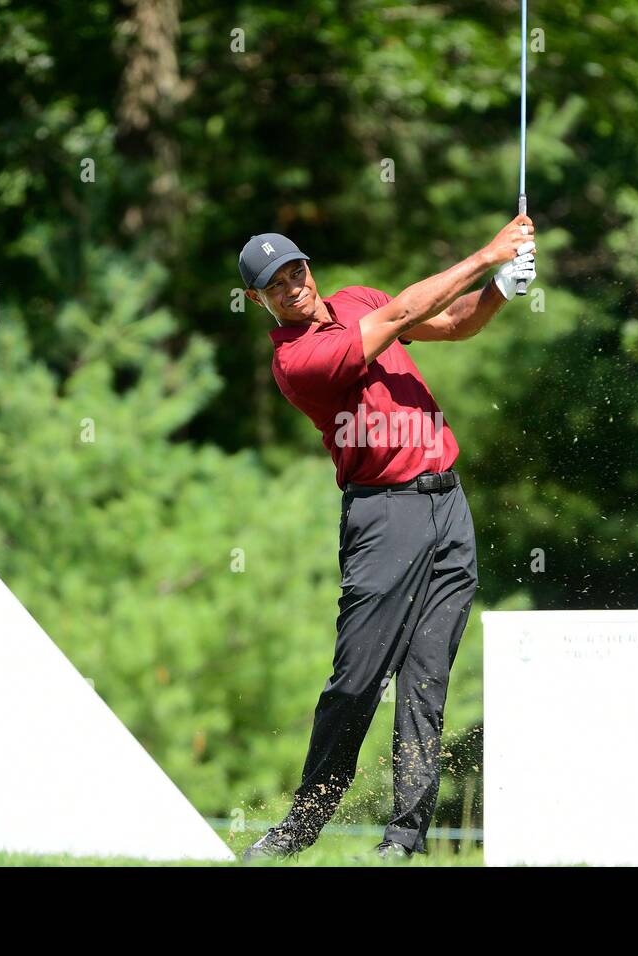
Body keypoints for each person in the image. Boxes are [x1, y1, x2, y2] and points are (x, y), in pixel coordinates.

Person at [238, 215, 536, 861]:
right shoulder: (296, 361)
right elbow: (403, 311)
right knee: (357, 679)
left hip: (448, 509)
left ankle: (404, 840)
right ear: (257, 300)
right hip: (384, 518)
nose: (293, 287)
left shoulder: (357, 300)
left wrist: (501, 288)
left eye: (296, 271)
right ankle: (302, 824)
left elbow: (452, 323)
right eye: (275, 285)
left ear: (308, 269)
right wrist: (489, 252)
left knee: (426, 682)